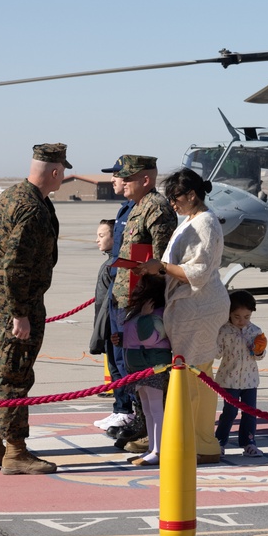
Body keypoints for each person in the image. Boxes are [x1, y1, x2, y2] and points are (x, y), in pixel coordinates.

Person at [0, 143, 70, 475]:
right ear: (55, 171)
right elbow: (15, 264)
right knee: (15, 377)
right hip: (18, 305)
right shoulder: (32, 209)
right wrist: (19, 312)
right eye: (63, 171)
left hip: (3, 300)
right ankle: (15, 451)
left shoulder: (12, 196)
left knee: (4, 374)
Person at [136, 168, 228, 465]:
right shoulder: (192, 219)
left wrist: (159, 268)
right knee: (194, 375)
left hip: (198, 306)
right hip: (189, 305)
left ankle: (199, 442)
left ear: (192, 195)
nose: (172, 204)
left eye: (175, 198)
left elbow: (197, 272)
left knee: (192, 378)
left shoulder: (205, 223)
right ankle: (197, 439)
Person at [108, 155, 176, 445]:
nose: (121, 182)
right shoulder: (136, 207)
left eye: (127, 177)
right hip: (126, 298)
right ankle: (142, 420)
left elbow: (161, 263)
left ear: (145, 179)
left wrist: (149, 304)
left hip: (143, 302)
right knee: (130, 364)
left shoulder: (156, 208)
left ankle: (151, 428)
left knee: (147, 367)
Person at [94, 158, 137, 430]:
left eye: (118, 175)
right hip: (115, 305)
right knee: (115, 359)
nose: (113, 179)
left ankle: (131, 412)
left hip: (128, 306)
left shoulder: (142, 210)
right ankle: (121, 408)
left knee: (125, 360)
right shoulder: (125, 210)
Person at [121, 275, 170, 467]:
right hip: (138, 366)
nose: (136, 288)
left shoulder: (156, 313)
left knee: (156, 409)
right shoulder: (138, 311)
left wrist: (145, 317)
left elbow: (148, 339)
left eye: (142, 285)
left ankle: (159, 450)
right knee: (148, 409)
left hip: (152, 365)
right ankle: (152, 447)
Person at [214, 290, 267, 457]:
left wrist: (259, 350)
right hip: (229, 380)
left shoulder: (255, 331)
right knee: (229, 412)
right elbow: (217, 354)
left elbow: (260, 357)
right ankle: (220, 441)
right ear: (229, 313)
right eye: (237, 316)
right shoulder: (224, 331)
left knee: (250, 412)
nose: (242, 321)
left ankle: (249, 442)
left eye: (246, 317)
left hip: (250, 380)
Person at [89, 219, 114, 358]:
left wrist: (99, 337)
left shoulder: (111, 266)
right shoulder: (109, 264)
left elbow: (105, 306)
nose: (97, 240)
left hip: (109, 330)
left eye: (101, 236)